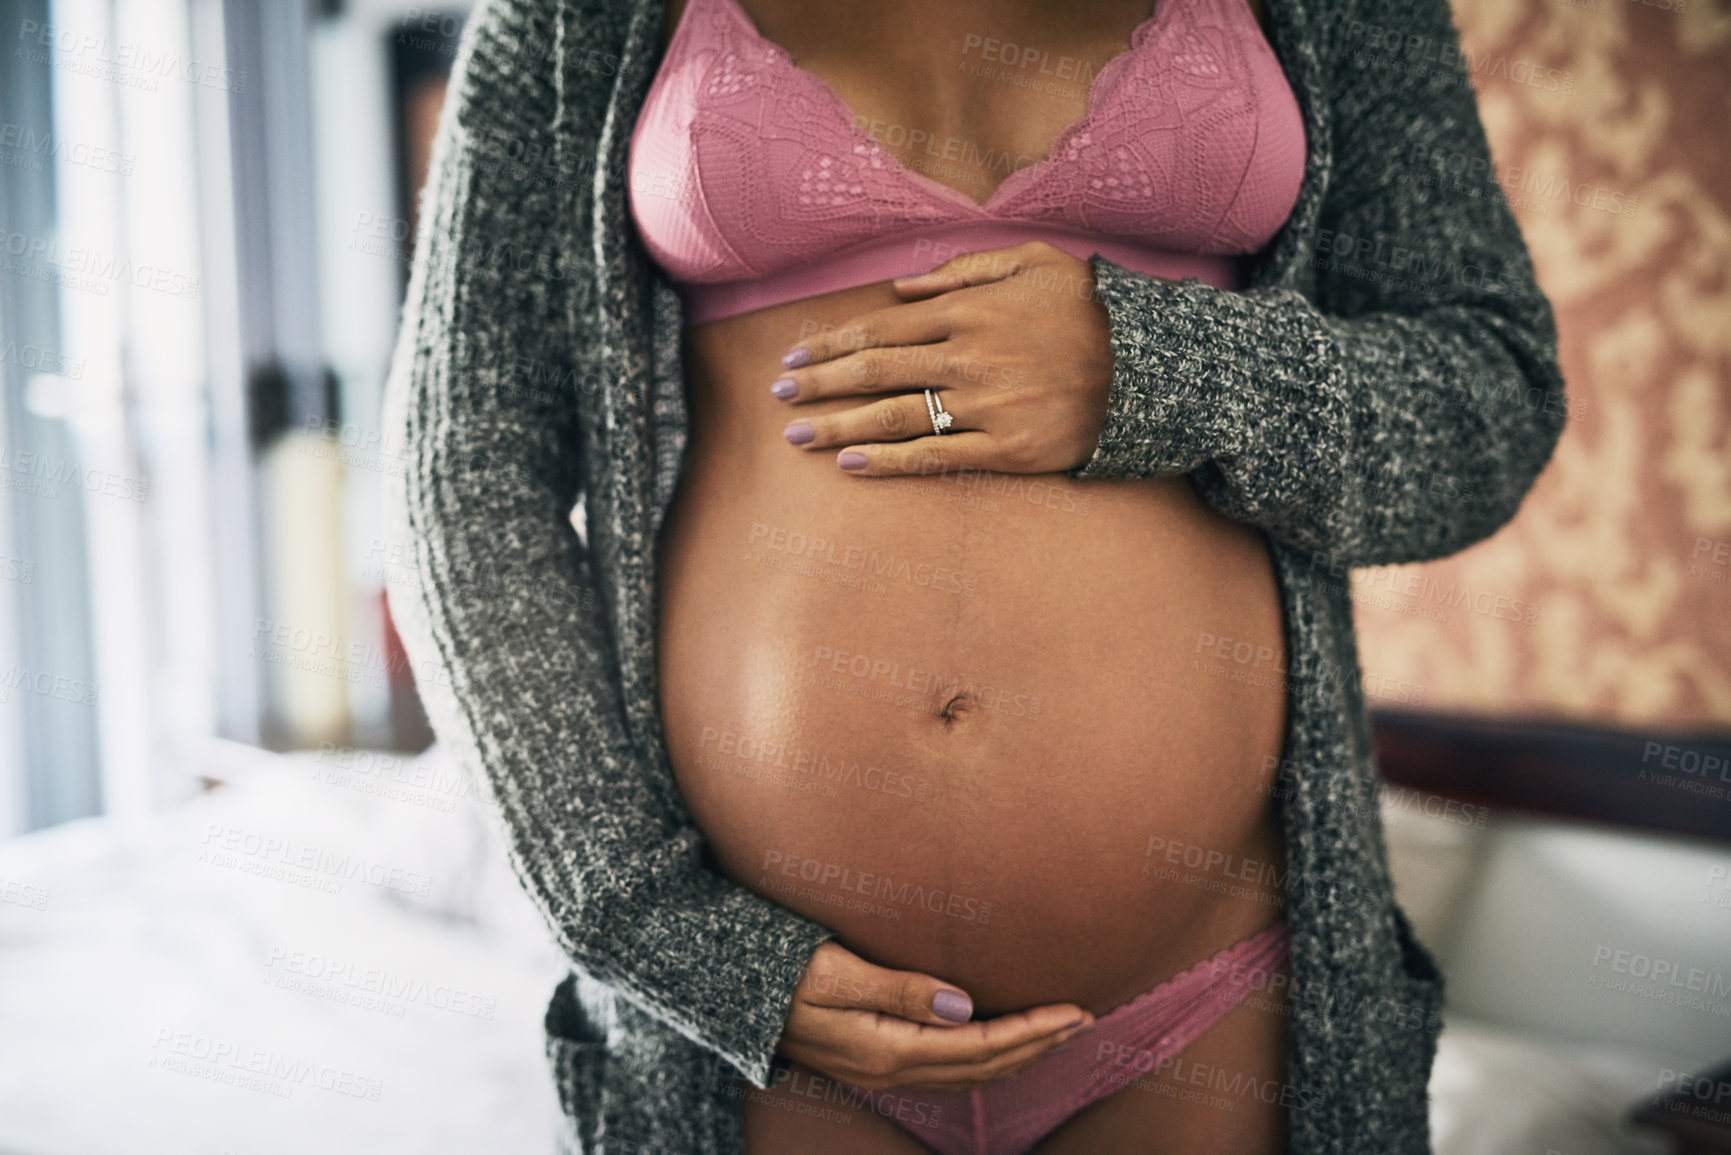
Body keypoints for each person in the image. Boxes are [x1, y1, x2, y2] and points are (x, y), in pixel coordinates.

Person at [380, 0, 1566, 1150]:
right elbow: (462, 471)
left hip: (1213, 1007)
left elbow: (1490, 400)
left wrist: (1161, 369)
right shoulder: (571, 19)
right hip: (765, 1036)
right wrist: (650, 925)